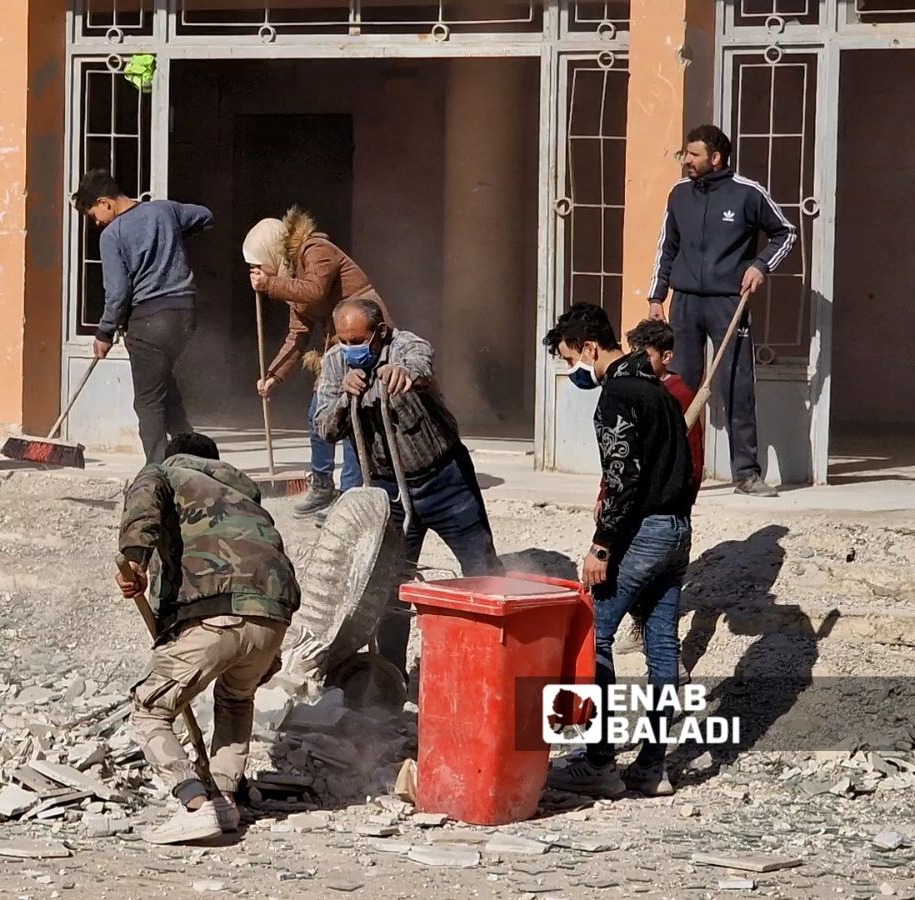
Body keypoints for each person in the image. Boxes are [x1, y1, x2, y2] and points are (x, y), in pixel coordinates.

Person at [116, 432, 299, 845]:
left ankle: (194, 805)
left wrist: (134, 559)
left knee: (149, 708)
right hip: (273, 617)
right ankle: (226, 801)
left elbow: (144, 501)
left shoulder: (165, 472)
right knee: (236, 699)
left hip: (216, 610)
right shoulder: (246, 497)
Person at [542, 303, 694, 799]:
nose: (572, 371)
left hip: (643, 535)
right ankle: (653, 766)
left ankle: (600, 760)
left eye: (570, 360)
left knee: (595, 636)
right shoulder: (660, 391)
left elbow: (624, 478)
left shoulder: (619, 395)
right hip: (677, 532)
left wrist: (602, 545)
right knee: (662, 648)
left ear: (589, 347)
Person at [311, 299, 501, 679]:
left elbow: (421, 364)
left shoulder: (406, 345)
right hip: (389, 490)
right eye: (344, 339)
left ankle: (493, 660)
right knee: (390, 586)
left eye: (359, 339)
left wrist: (404, 375)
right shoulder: (334, 363)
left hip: (444, 479)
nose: (351, 347)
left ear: (379, 332)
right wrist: (345, 400)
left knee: (481, 568)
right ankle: (389, 676)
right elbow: (324, 429)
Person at [647, 124, 796, 498]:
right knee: (680, 386)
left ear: (715, 158)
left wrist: (760, 265)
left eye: (693, 154)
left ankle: (746, 473)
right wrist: (656, 297)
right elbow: (667, 246)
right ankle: (676, 470)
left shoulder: (748, 193)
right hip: (684, 303)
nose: (687, 161)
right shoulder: (679, 195)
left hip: (729, 303)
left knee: (736, 386)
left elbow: (786, 233)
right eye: (685, 153)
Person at [242, 207, 391, 518]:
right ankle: (323, 485)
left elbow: (315, 290)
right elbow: (298, 334)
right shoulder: (290, 279)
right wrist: (273, 376)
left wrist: (269, 285)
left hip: (362, 335)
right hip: (335, 345)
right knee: (317, 412)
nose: (259, 272)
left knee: (353, 413)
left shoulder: (315, 250)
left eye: (260, 264)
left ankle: (351, 492)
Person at [72, 170, 213, 464]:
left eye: (93, 214)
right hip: (185, 315)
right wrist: (171, 233)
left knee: (147, 401)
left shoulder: (113, 235)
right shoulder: (163, 210)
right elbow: (205, 215)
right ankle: (193, 457)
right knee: (164, 387)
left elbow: (118, 291)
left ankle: (157, 472)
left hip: (149, 322)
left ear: (105, 202)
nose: (96, 222)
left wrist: (104, 333)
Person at [626, 319, 704, 504]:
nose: (638, 362)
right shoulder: (632, 388)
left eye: (646, 356)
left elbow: (693, 449)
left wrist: (688, 495)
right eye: (634, 354)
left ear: (666, 357)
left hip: (666, 493)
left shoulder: (679, 394)